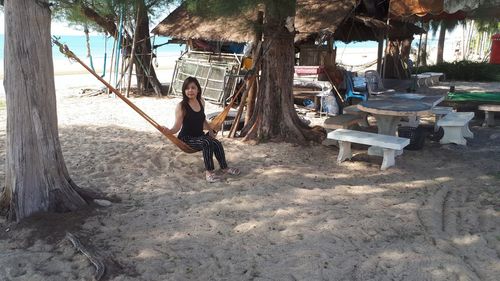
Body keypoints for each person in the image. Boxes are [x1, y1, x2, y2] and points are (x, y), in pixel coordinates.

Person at [162, 77, 240, 183]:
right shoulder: (181, 106)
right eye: (187, 88)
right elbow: (177, 127)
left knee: (217, 143)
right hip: (187, 139)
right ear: (184, 91)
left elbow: (202, 119)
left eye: (193, 88)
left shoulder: (201, 102)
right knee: (207, 142)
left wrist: (211, 130)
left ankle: (224, 168)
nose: (190, 91)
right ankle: (209, 173)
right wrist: (169, 131)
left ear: (198, 90)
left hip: (199, 136)